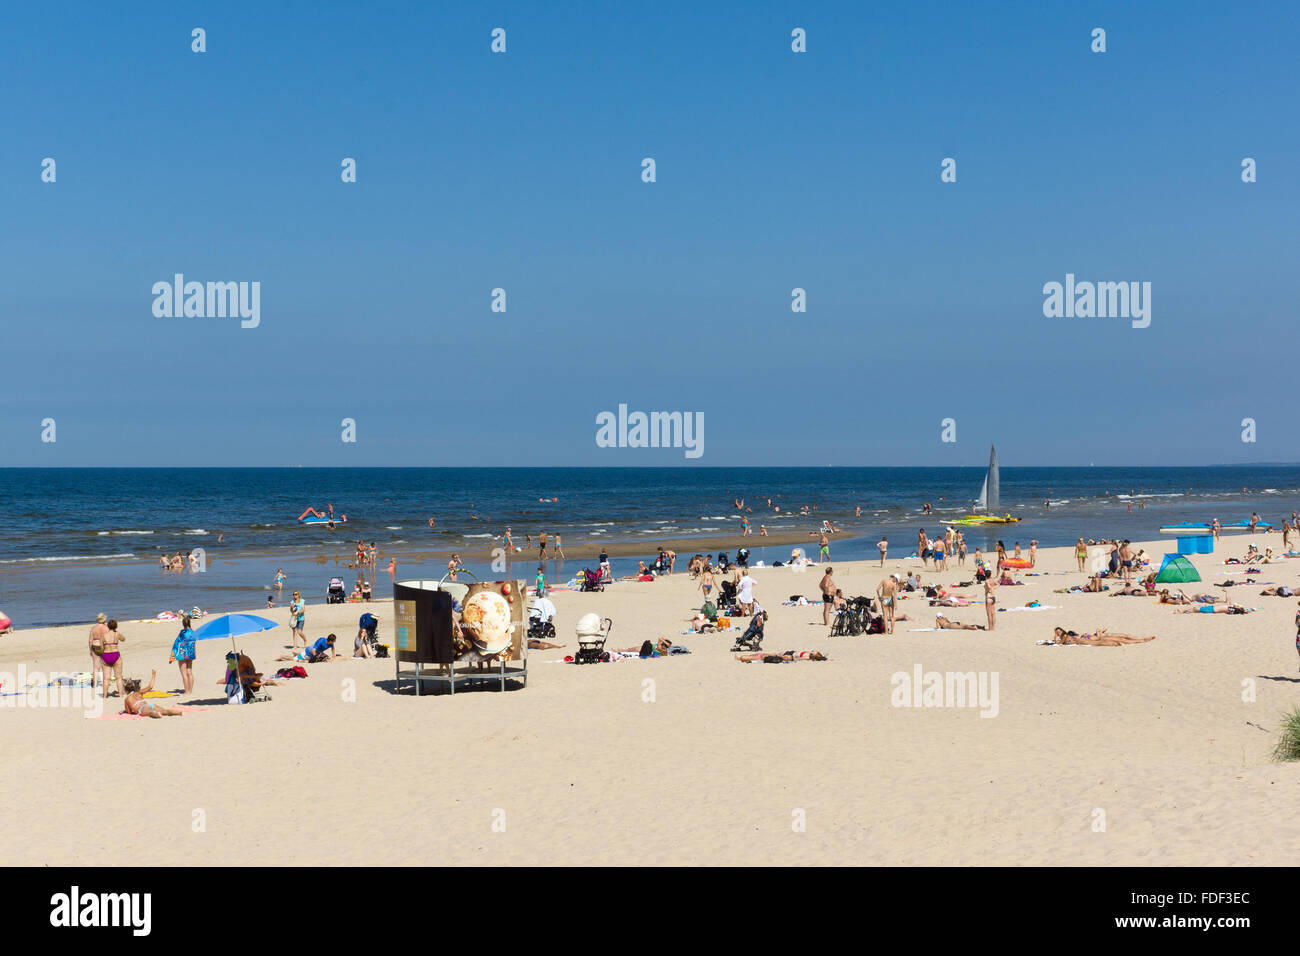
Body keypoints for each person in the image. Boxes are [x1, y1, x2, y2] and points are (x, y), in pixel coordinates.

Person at [169, 614, 196, 694]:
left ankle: (187, 691)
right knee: (189, 672)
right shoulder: (193, 632)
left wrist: (172, 657)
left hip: (182, 654)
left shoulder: (182, 633)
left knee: (184, 673)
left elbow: (176, 644)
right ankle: (190, 690)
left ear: (183, 624)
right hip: (190, 653)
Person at [99, 619, 126, 699]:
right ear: (116, 626)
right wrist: (116, 632)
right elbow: (123, 639)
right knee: (118, 677)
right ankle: (121, 695)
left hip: (106, 655)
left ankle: (104, 695)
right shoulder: (117, 634)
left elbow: (101, 648)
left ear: (108, 626)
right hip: (115, 655)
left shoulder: (103, 635)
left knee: (106, 678)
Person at [1050, 627, 1154, 646]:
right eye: (1057, 632)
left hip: (1096, 638)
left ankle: (1142, 639)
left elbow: (1059, 643)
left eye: (1059, 631)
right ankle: (1141, 640)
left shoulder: (1065, 636)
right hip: (1095, 639)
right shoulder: (1065, 637)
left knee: (1121, 638)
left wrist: (1055, 637)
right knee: (1121, 638)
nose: (1058, 633)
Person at [88, 612, 108, 691]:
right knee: (104, 666)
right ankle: (104, 683)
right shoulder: (106, 628)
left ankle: (94, 685)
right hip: (103, 646)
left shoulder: (93, 628)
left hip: (95, 646)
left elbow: (90, 640)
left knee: (96, 667)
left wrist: (90, 650)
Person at [736, 650, 826, 662]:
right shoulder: (808, 654)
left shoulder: (807, 657)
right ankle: (745, 656)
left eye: (815, 652)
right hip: (788, 653)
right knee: (763, 654)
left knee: (763, 656)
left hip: (787, 656)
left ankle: (742, 658)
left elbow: (793, 658)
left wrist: (784, 657)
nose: (814, 650)